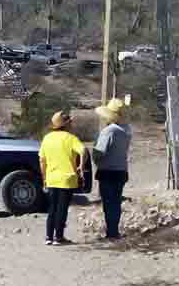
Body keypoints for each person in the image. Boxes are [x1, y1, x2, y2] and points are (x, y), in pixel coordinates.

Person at [39, 111, 86, 245]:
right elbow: (83, 151)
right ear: (66, 125)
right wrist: (81, 166)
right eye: (70, 122)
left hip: (52, 178)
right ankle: (59, 237)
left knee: (52, 208)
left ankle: (48, 237)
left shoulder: (47, 138)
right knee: (62, 208)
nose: (71, 124)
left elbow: (42, 161)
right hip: (67, 179)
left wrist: (44, 178)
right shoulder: (71, 138)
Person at [93, 98, 132, 240]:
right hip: (121, 170)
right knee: (116, 202)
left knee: (108, 203)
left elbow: (99, 153)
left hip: (108, 171)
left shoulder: (109, 131)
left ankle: (111, 232)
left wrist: (95, 158)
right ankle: (114, 231)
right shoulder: (126, 130)